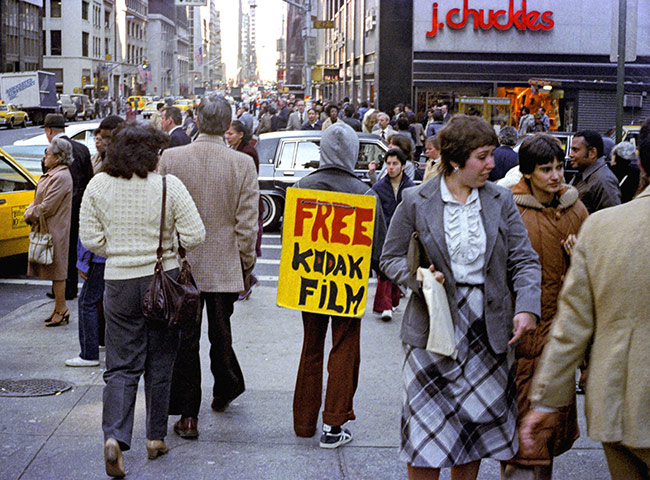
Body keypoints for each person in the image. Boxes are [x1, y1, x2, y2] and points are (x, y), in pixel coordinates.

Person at [380, 114, 541, 480]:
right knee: (426, 429)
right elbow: (388, 257)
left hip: (488, 330)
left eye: (492, 155)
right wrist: (419, 277)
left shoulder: (501, 199)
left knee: (473, 430)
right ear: (455, 160)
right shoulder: (416, 200)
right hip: (433, 329)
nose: (491, 164)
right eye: (482, 156)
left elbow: (525, 260)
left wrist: (528, 307)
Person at [79, 123, 205, 478]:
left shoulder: (98, 185)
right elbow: (195, 234)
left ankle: (115, 439)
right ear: (151, 153)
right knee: (161, 361)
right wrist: (164, 249)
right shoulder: (168, 185)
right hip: (162, 279)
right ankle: (154, 438)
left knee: (120, 365)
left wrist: (119, 251)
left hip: (118, 281)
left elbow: (90, 238)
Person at [520, 137, 650, 480]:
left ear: (642, 165)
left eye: (558, 167)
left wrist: (546, 401)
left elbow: (572, 324)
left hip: (618, 407)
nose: (555, 175)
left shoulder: (599, 225)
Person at [159, 96, 259, 439]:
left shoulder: (171, 158)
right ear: (228, 124)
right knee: (221, 332)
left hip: (181, 263)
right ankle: (226, 386)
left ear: (198, 121)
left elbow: (161, 215)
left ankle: (188, 415)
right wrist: (246, 265)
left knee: (185, 340)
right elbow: (247, 224)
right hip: (223, 262)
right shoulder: (242, 164)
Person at [291, 122, 386, 449]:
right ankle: (334, 423)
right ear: (352, 154)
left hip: (310, 285)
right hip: (348, 287)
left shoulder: (302, 186)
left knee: (311, 347)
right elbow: (380, 251)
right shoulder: (364, 193)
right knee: (345, 349)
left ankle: (304, 423)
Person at [502, 133, 588, 480]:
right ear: (527, 173)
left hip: (560, 337)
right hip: (521, 336)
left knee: (547, 435)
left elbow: (588, 278)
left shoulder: (576, 209)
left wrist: (578, 257)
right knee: (521, 436)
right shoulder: (510, 209)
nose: (555, 176)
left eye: (558, 168)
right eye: (545, 169)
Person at [66, 116, 125, 368]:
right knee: (104, 301)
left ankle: (89, 353)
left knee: (88, 301)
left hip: (100, 252)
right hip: (114, 250)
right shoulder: (126, 173)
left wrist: (84, 258)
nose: (99, 143)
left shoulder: (102, 179)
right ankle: (99, 344)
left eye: (103, 139)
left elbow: (90, 223)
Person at [42, 113, 93, 301]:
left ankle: (61, 290)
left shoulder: (51, 152)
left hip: (59, 208)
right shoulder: (82, 149)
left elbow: (49, 183)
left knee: (58, 250)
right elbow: (90, 178)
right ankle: (70, 288)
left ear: (49, 131)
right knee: (73, 248)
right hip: (79, 206)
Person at [24, 138, 74, 327]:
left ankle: (61, 309)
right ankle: (58, 308)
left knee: (58, 271)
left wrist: (29, 214)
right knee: (54, 271)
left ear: (58, 157)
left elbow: (47, 207)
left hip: (55, 229)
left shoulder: (60, 176)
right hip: (49, 227)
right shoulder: (54, 174)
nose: (45, 156)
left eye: (48, 153)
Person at [371, 148, 415, 321]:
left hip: (403, 233)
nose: (391, 167)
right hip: (384, 232)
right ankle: (385, 306)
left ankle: (394, 300)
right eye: (388, 164)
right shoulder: (378, 188)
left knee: (397, 265)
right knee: (384, 269)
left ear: (403, 166)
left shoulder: (410, 188)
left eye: (395, 164)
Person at [225, 119, 264, 300]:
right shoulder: (235, 150)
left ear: (241, 135)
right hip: (240, 202)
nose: (227, 137)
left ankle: (246, 284)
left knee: (248, 244)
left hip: (250, 204)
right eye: (227, 133)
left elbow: (249, 181)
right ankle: (249, 281)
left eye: (231, 133)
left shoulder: (248, 153)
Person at [568, 130, 621, 213]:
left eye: (575, 150)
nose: (570, 154)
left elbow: (611, 217)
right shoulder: (583, 174)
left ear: (592, 153)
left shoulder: (604, 180)